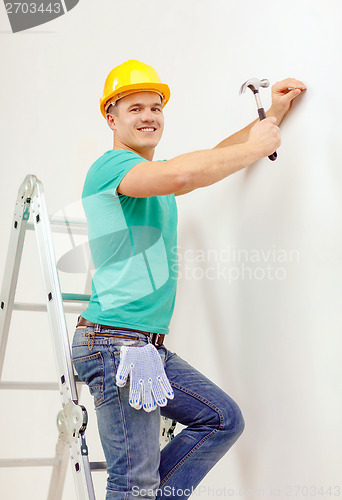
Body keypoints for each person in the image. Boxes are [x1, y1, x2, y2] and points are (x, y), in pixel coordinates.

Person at [72, 59, 306, 500]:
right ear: (111, 118)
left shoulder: (153, 180)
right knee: (133, 481)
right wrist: (257, 147)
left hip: (144, 346)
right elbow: (183, 174)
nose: (148, 116)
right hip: (115, 343)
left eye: (155, 107)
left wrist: (271, 114)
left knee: (222, 420)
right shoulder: (111, 167)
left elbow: (204, 162)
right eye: (135, 108)